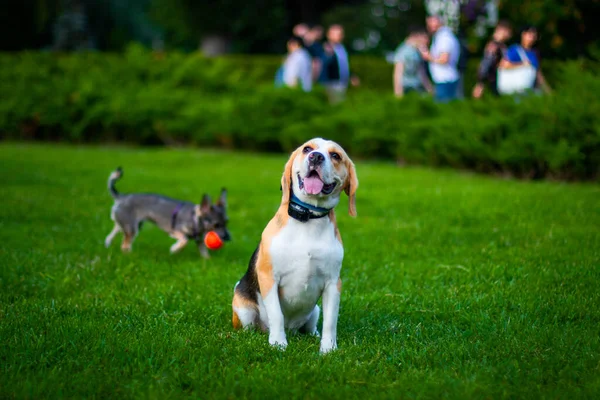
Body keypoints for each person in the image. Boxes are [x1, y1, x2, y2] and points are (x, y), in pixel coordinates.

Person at [499, 25, 551, 95]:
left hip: (529, 90)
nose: (532, 38)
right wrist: (522, 64)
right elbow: (503, 65)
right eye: (530, 35)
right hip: (515, 90)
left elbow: (538, 73)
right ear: (523, 34)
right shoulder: (514, 49)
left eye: (534, 36)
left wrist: (547, 90)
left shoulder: (534, 53)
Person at [420, 15, 461, 103]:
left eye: (430, 22)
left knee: (445, 110)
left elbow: (444, 59)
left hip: (445, 80)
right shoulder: (440, 36)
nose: (428, 25)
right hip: (444, 80)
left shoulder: (444, 37)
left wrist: (428, 57)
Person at [319, 24, 359, 103]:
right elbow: (322, 66)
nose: (340, 36)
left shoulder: (341, 48)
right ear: (329, 35)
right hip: (331, 84)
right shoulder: (325, 48)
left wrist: (351, 76)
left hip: (342, 84)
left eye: (341, 34)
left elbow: (343, 65)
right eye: (337, 34)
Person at [472, 20, 513, 98]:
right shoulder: (494, 46)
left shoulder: (501, 46)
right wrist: (480, 82)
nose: (509, 35)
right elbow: (486, 63)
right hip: (491, 81)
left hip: (497, 80)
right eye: (508, 32)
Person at [392, 25, 433, 98]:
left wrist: (430, 89)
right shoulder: (402, 51)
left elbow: (421, 73)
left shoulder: (417, 52)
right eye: (426, 37)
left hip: (418, 89)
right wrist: (398, 94)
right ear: (417, 36)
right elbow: (397, 74)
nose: (427, 41)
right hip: (407, 90)